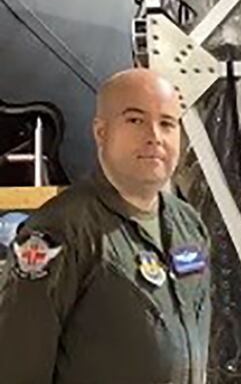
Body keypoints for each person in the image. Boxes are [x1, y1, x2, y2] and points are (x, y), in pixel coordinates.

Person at [0, 69, 212, 383]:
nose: (154, 135)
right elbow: (18, 367)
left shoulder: (188, 226)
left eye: (167, 123)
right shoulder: (59, 232)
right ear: (102, 132)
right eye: (135, 120)